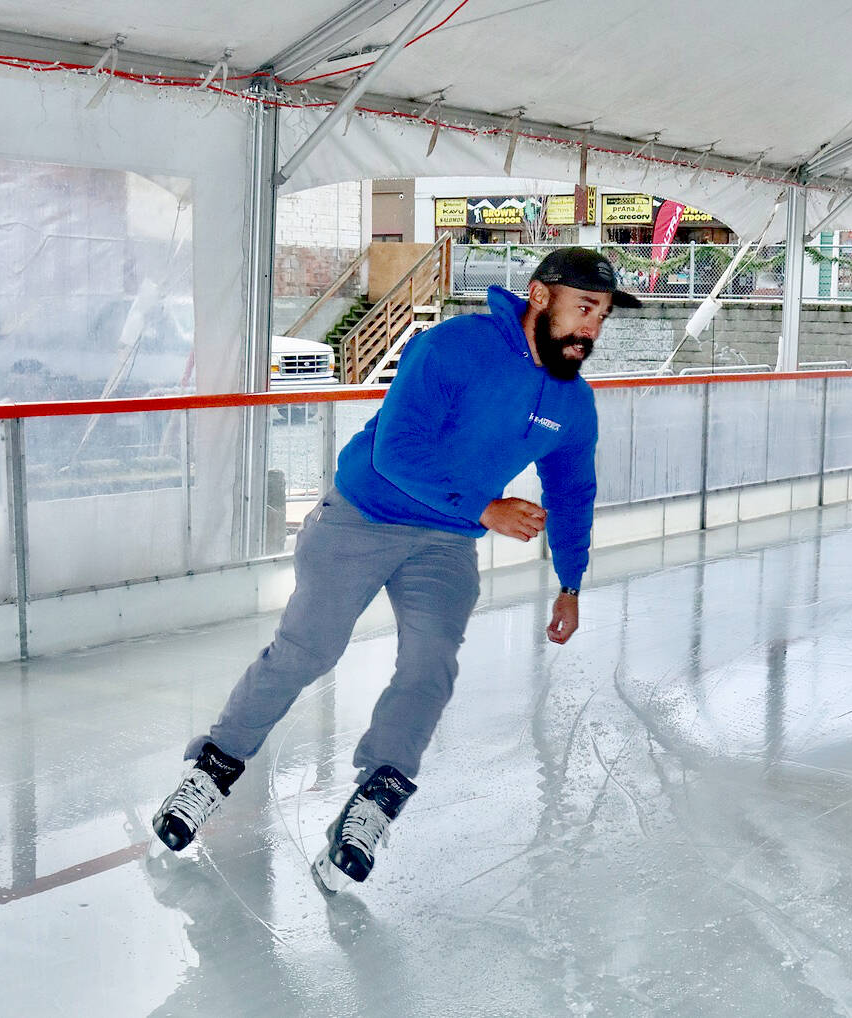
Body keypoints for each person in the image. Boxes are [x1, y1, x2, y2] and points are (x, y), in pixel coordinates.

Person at [151, 247, 643, 894]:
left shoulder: (573, 404)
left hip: (445, 542)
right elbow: (397, 449)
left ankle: (374, 800)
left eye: (603, 316)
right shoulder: (453, 348)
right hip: (365, 512)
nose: (592, 329)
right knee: (308, 649)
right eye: (585, 308)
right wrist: (486, 506)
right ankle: (212, 770)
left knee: (431, 662)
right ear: (540, 296)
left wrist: (571, 582)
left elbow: (574, 492)